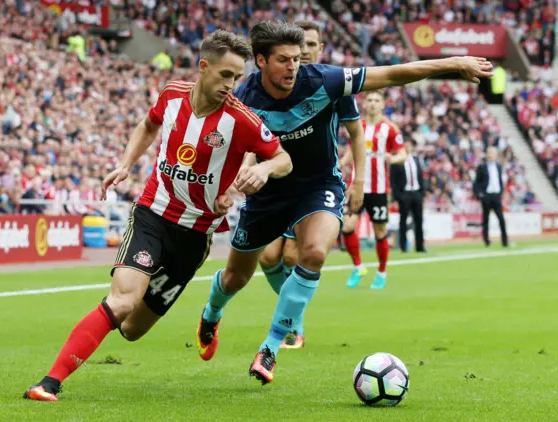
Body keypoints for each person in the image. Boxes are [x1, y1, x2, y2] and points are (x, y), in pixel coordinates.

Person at [195, 20, 493, 385]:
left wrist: (454, 62)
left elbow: (394, 73)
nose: (294, 66)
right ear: (260, 61)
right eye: (284, 60)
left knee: (314, 253)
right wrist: (230, 186)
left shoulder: (325, 80)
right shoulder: (242, 100)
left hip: (319, 186)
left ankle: (271, 346)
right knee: (236, 277)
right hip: (269, 194)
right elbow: (231, 151)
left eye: (297, 58)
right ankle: (211, 313)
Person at [23, 30, 292, 402]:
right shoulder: (172, 95)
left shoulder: (241, 119)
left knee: (132, 329)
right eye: (225, 75)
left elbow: (283, 159)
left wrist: (262, 171)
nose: (232, 85)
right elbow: (148, 125)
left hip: (194, 237)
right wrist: (124, 165)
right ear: (203, 67)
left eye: (237, 77)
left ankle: (199, 312)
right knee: (122, 302)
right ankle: (48, 383)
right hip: (152, 215)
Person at [255, 20, 365, 349]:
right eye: (299, 48)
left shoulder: (331, 84)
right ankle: (292, 319)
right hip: (275, 183)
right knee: (266, 258)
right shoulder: (275, 85)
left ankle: (291, 325)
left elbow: (356, 134)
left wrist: (359, 180)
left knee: (292, 256)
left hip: (314, 186)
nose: (305, 52)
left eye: (312, 46)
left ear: (320, 48)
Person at [341, 91, 406, 289]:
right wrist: (342, 163)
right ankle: (358, 266)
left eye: (377, 100)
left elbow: (402, 153)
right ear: (364, 103)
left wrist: (392, 159)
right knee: (347, 226)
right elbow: (352, 151)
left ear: (383, 104)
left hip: (378, 189)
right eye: (369, 100)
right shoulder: (357, 126)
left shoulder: (390, 129)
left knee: (380, 231)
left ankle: (381, 272)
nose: (372, 103)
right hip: (357, 187)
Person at [390, 139, 425, 253]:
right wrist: (396, 197)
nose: (407, 147)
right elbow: (393, 181)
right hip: (404, 194)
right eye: (405, 145)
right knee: (403, 220)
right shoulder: (397, 161)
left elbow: (420, 178)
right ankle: (403, 246)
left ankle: (420, 246)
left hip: (416, 193)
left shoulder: (416, 160)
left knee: (419, 220)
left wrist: (421, 193)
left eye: (409, 145)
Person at [473, 146, 508, 248]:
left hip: (496, 196)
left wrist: (501, 192)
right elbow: (476, 183)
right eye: (490, 153)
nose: (492, 155)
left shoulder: (499, 167)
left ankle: (505, 241)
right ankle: (486, 241)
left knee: (501, 219)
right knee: (486, 220)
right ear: (487, 155)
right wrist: (480, 194)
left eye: (493, 153)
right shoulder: (482, 167)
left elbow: (500, 181)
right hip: (487, 196)